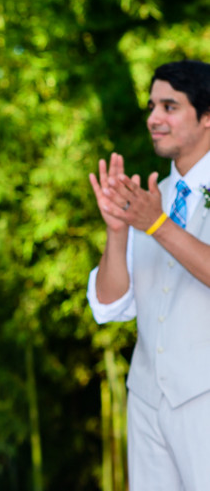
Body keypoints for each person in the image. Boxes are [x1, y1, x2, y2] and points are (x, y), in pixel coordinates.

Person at [87, 59, 210, 491]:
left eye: (170, 106)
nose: (153, 118)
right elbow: (109, 305)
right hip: (146, 399)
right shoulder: (148, 197)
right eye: (152, 105)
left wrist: (156, 224)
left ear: (208, 116)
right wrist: (118, 230)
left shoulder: (152, 211)